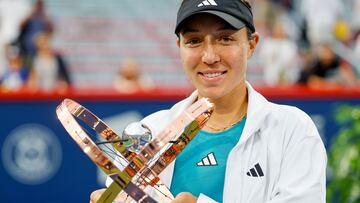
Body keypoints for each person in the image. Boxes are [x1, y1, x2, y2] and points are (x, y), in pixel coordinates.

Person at [91, 0, 326, 202]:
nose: (210, 56)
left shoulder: (292, 130)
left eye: (225, 39)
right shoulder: (150, 131)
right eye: (194, 41)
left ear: (252, 44)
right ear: (179, 47)